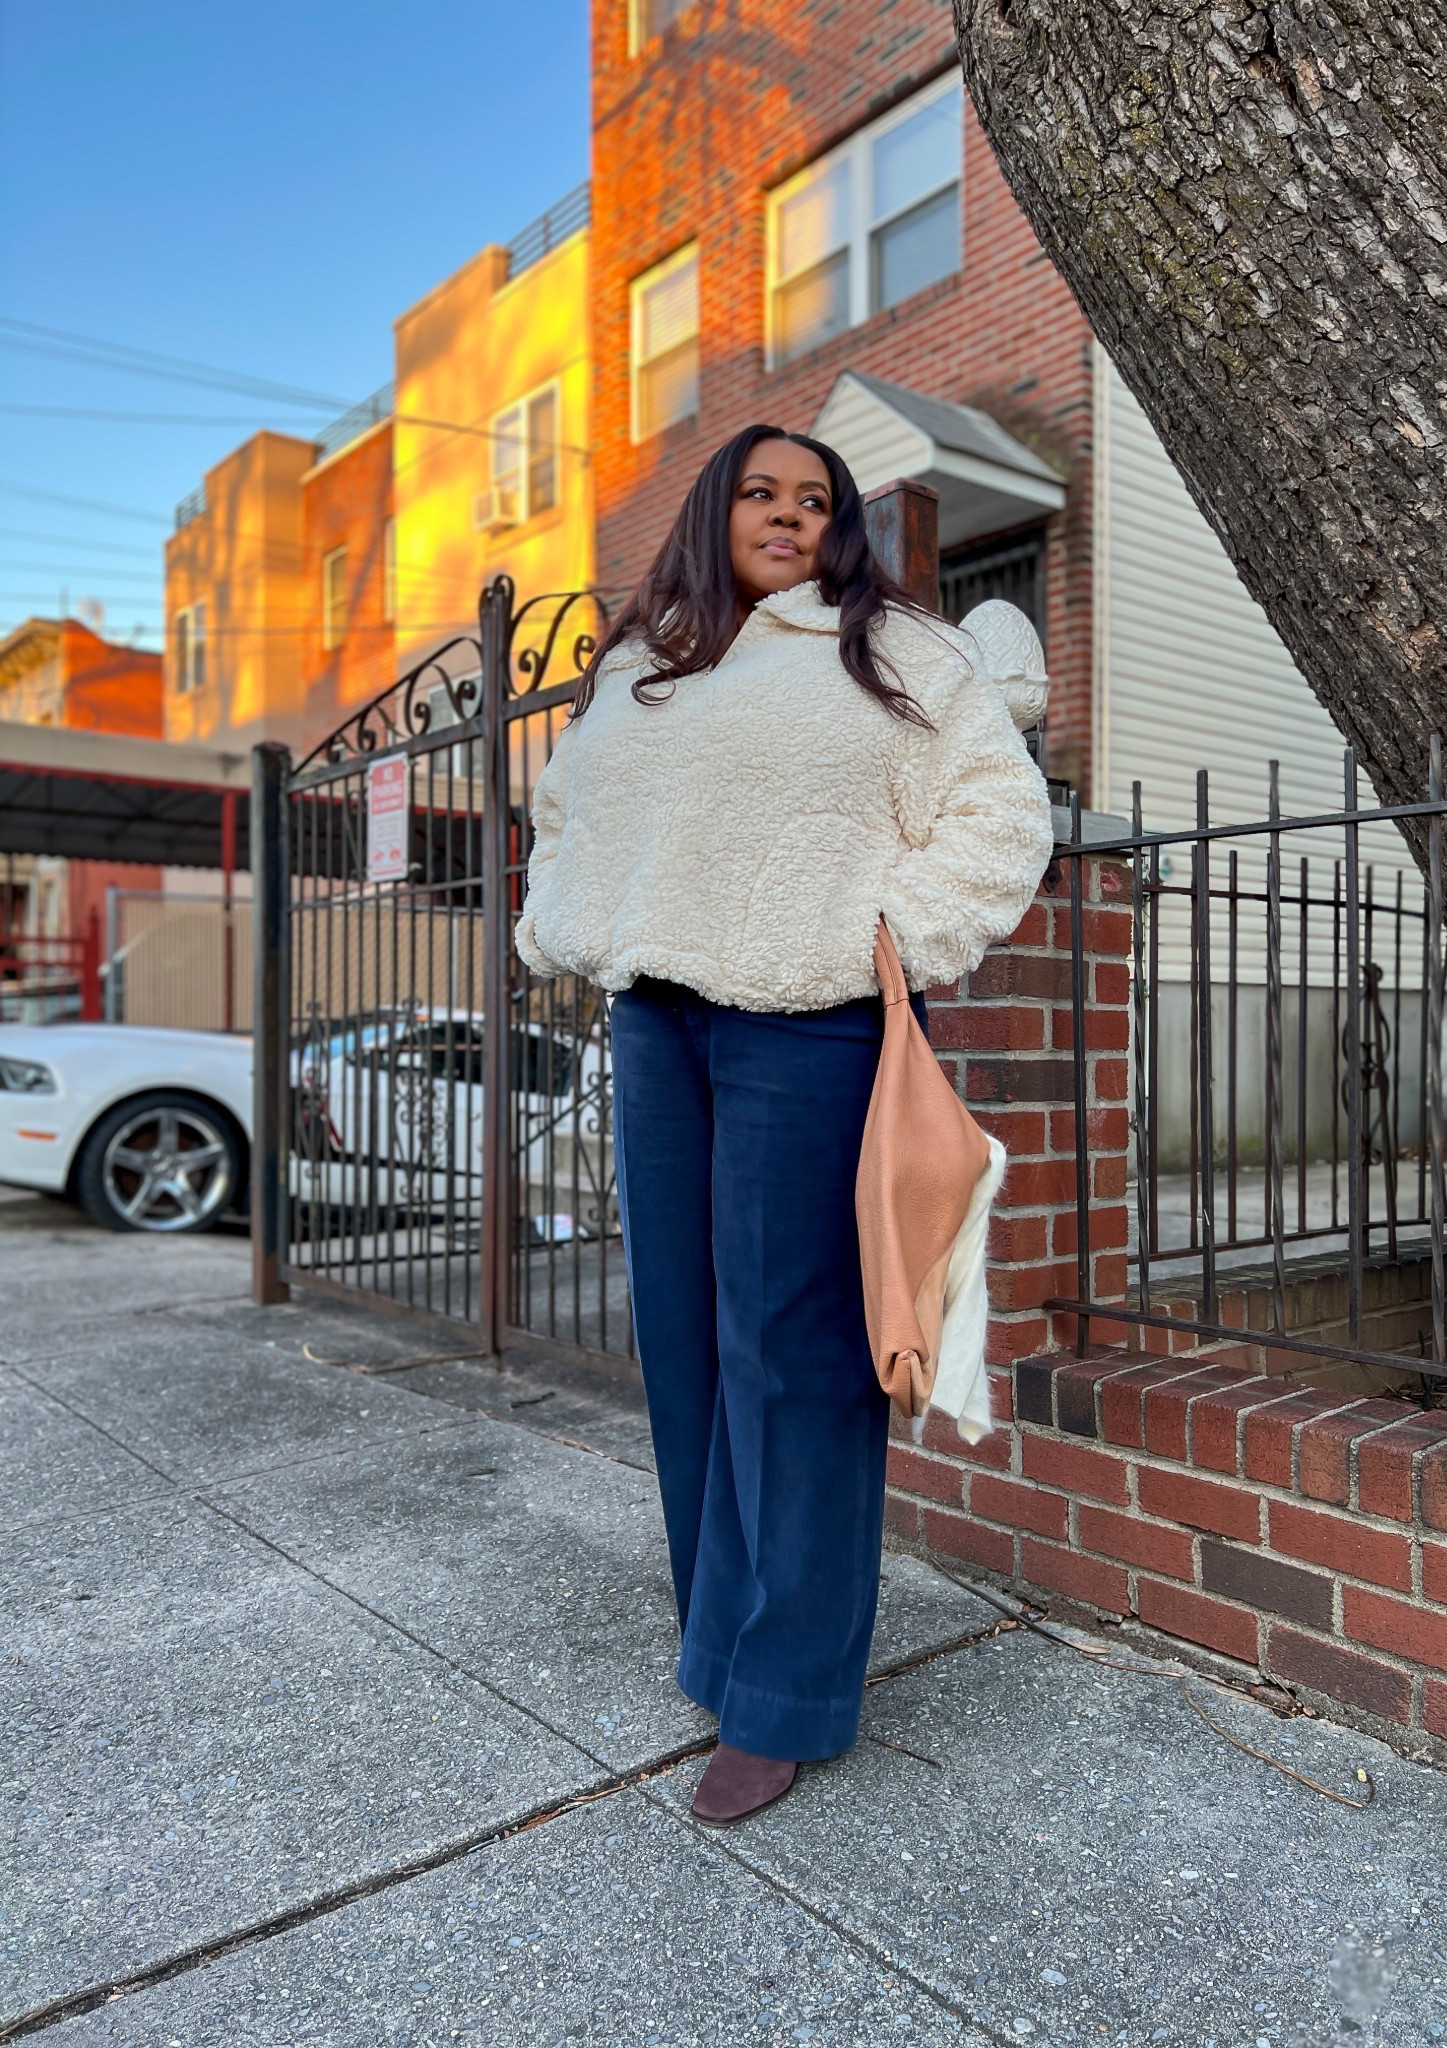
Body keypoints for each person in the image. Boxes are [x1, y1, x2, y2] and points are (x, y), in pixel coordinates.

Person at [513, 424, 1053, 1824]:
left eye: (816, 500)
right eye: (761, 491)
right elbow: (560, 814)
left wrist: (887, 937)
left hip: (808, 1029)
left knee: (793, 1351)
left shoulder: (897, 652)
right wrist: (569, 927)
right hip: (658, 1021)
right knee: (686, 1340)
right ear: (715, 510)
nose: (789, 515)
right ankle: (721, 1638)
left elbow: (1002, 814)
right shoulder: (645, 669)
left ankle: (789, 1691)